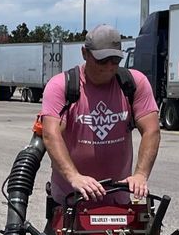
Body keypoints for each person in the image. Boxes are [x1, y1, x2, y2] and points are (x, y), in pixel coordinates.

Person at [39, 24, 161, 221]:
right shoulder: (62, 85)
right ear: (85, 53)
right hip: (70, 198)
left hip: (117, 199)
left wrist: (140, 175)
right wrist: (74, 177)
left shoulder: (133, 83)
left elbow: (151, 131)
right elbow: (51, 134)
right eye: (102, 60)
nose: (109, 66)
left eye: (115, 60)